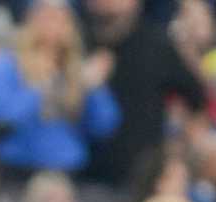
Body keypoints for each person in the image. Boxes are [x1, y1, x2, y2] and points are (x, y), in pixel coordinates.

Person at [0, 0, 121, 174]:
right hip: (17, 168)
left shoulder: (74, 68)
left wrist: (94, 89)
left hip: (69, 168)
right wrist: (40, 86)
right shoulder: (7, 64)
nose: (53, 26)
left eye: (61, 19)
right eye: (45, 17)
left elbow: (104, 127)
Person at [83, 0, 206, 187]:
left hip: (140, 170)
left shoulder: (156, 43)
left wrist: (178, 147)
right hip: (80, 170)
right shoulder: (74, 39)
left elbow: (196, 96)